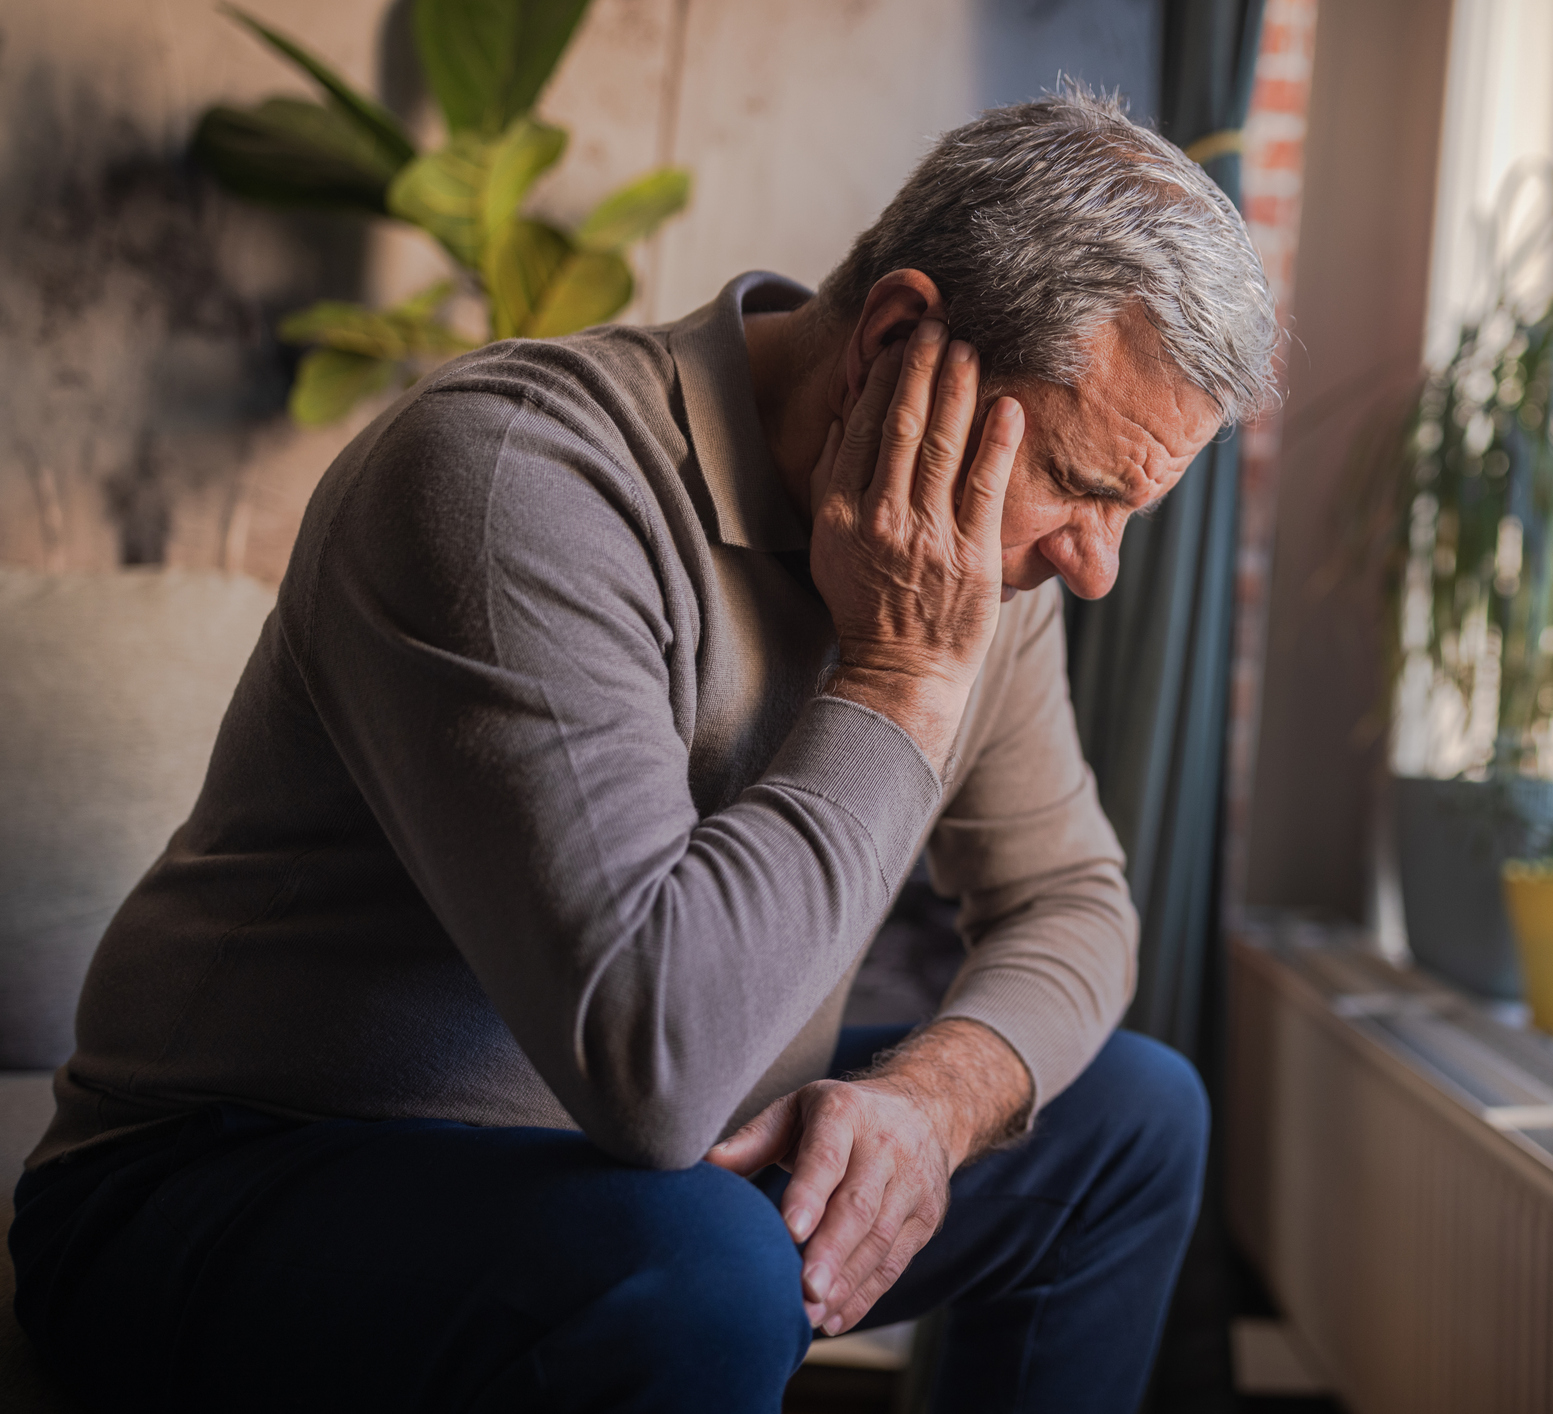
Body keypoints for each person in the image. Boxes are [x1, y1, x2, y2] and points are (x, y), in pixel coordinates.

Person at [9, 88, 1277, 1413]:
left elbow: (1073, 903)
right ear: (901, 340)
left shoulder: (988, 567)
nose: (1094, 568)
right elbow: (658, 1071)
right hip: (232, 1178)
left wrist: (931, 1101)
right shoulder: (519, 482)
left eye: (1131, 507)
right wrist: (896, 677)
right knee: (703, 1267)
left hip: (635, 1181)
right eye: (1082, 486)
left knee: (1134, 1116)